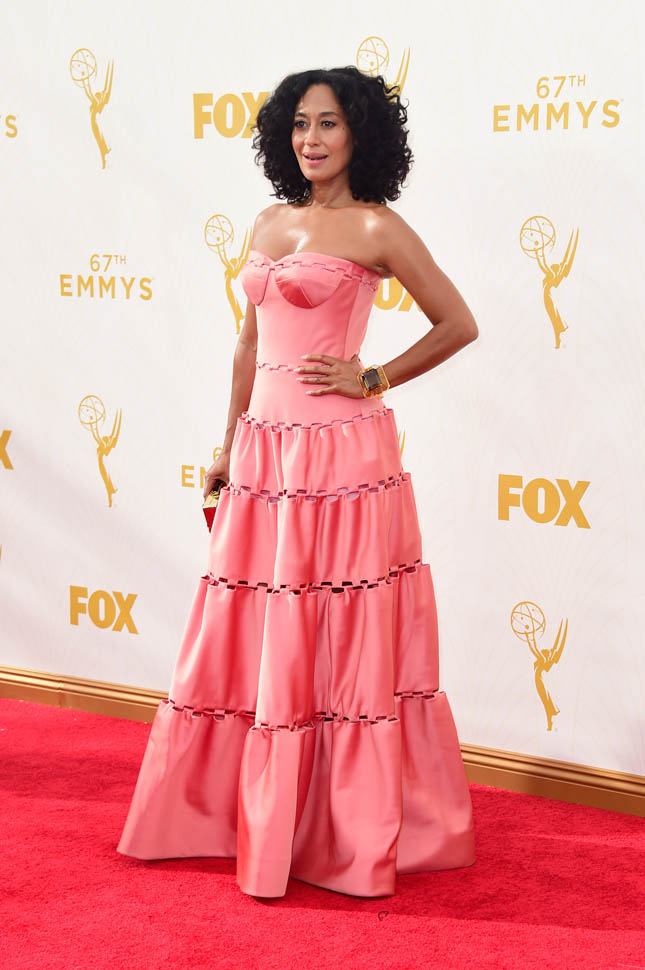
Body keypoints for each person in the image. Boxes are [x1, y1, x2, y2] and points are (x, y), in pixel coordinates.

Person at [117, 65, 479, 899]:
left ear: (360, 133)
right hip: (266, 451)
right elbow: (250, 343)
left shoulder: (377, 227)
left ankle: (338, 826)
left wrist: (373, 377)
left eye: (328, 123)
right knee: (254, 623)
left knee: (337, 630)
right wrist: (228, 441)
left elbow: (457, 323)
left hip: (341, 456)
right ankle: (238, 814)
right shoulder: (268, 220)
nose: (310, 139)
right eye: (299, 124)